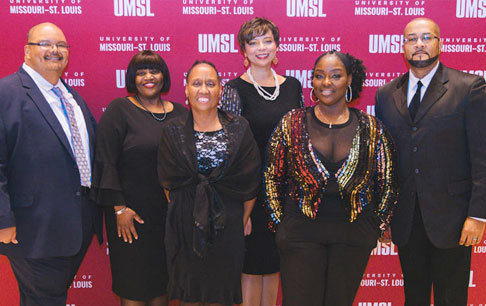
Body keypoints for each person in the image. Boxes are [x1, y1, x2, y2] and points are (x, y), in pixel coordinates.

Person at [265, 51, 398, 306]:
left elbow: (388, 181)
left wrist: (376, 226)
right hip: (299, 233)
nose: (327, 82)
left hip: (353, 235)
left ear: (350, 80)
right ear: (312, 82)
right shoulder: (291, 123)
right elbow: (272, 176)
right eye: (319, 76)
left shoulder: (372, 128)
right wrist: (280, 224)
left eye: (336, 76)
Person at [375, 17, 486, 305]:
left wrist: (478, 214)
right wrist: (384, 214)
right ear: (403, 47)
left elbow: (482, 154)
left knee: (452, 297)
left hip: (454, 218)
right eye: (412, 39)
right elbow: (384, 159)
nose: (419, 44)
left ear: (440, 43)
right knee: (414, 296)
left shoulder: (469, 88)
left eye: (427, 37)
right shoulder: (386, 95)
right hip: (406, 217)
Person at [0, 22, 102, 306]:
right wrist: (3, 219)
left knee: (44, 299)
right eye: (45, 44)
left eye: (61, 45)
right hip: (32, 228)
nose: (54, 50)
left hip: (75, 224)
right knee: (44, 299)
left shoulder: (70, 97)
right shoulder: (6, 93)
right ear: (27, 51)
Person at [158, 61, 261, 306]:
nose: (203, 90)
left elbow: (251, 179)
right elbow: (167, 181)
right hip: (185, 223)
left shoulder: (239, 128)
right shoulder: (172, 130)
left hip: (229, 224)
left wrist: (241, 219)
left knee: (221, 295)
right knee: (190, 295)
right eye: (196, 83)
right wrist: (189, 213)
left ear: (220, 90)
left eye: (210, 83)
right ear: (186, 90)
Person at [91, 50, 187, 306]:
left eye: (154, 71)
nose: (148, 77)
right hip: (130, 219)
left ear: (163, 76)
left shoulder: (180, 113)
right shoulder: (119, 110)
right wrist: (119, 209)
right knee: (134, 289)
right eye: (141, 72)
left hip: (168, 219)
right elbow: (105, 161)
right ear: (132, 78)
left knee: (162, 288)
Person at [220, 17, 303, 306]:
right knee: (251, 267)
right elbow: (228, 150)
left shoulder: (293, 86)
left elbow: (300, 139)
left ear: (277, 45)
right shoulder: (233, 89)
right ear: (243, 50)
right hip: (249, 193)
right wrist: (239, 204)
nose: (261, 48)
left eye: (267, 40)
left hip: (286, 193)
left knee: (275, 265)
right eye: (253, 42)